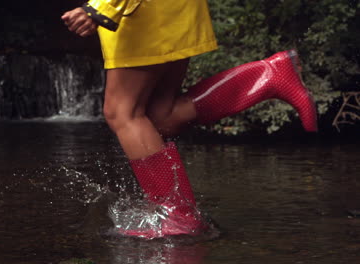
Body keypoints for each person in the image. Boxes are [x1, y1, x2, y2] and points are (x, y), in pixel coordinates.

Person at [62, 0, 317, 239]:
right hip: (169, 11)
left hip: (143, 17)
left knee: (122, 113)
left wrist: (99, 8)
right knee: (159, 117)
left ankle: (177, 215)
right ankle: (268, 76)